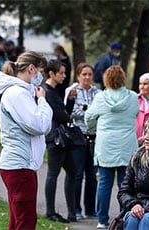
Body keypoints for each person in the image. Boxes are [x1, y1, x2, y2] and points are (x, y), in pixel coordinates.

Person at [0, 51, 52, 230]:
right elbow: (39, 125)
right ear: (31, 68)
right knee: (26, 221)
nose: (41, 77)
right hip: (19, 165)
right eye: (41, 71)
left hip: (20, 164)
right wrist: (42, 101)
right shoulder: (17, 94)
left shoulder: (20, 92)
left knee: (17, 221)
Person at [85, 65, 139, 229]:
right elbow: (136, 113)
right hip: (127, 145)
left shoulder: (101, 97)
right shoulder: (132, 97)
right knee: (126, 184)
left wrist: (95, 127)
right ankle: (124, 218)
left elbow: (89, 117)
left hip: (106, 144)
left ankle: (102, 220)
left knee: (105, 183)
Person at [42, 60, 77, 223]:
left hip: (61, 138)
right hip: (55, 139)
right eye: (61, 73)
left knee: (72, 171)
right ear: (51, 74)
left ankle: (71, 212)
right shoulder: (47, 92)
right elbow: (60, 116)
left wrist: (70, 101)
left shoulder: (55, 90)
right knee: (53, 174)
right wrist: (67, 113)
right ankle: (50, 212)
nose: (64, 75)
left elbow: (64, 114)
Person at [65, 63, 100, 220]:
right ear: (78, 75)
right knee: (77, 174)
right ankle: (75, 209)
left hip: (94, 137)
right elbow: (71, 112)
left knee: (92, 175)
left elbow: (100, 112)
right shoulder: (71, 91)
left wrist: (84, 109)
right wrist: (89, 111)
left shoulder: (98, 93)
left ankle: (91, 209)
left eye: (89, 74)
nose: (87, 77)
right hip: (77, 137)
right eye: (84, 74)